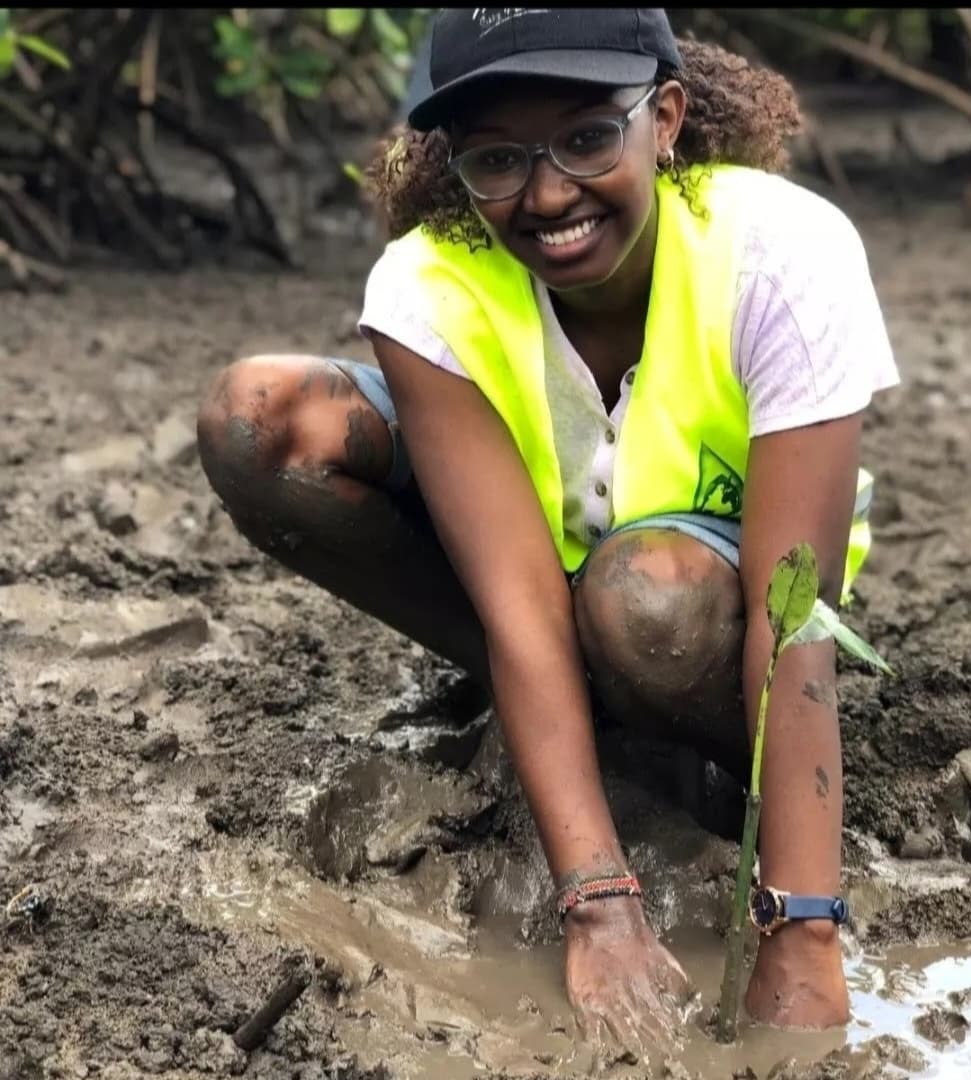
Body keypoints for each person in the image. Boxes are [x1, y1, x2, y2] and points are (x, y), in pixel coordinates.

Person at [196, 7, 899, 1046]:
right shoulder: (429, 285)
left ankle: (671, 732)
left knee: (642, 600)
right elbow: (521, 605)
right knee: (259, 415)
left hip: (710, 612)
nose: (549, 193)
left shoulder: (781, 255)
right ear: (455, 161)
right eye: (498, 158)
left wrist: (801, 930)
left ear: (664, 119)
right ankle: (561, 714)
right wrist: (600, 903)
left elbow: (795, 624)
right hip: (542, 590)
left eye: (585, 138)